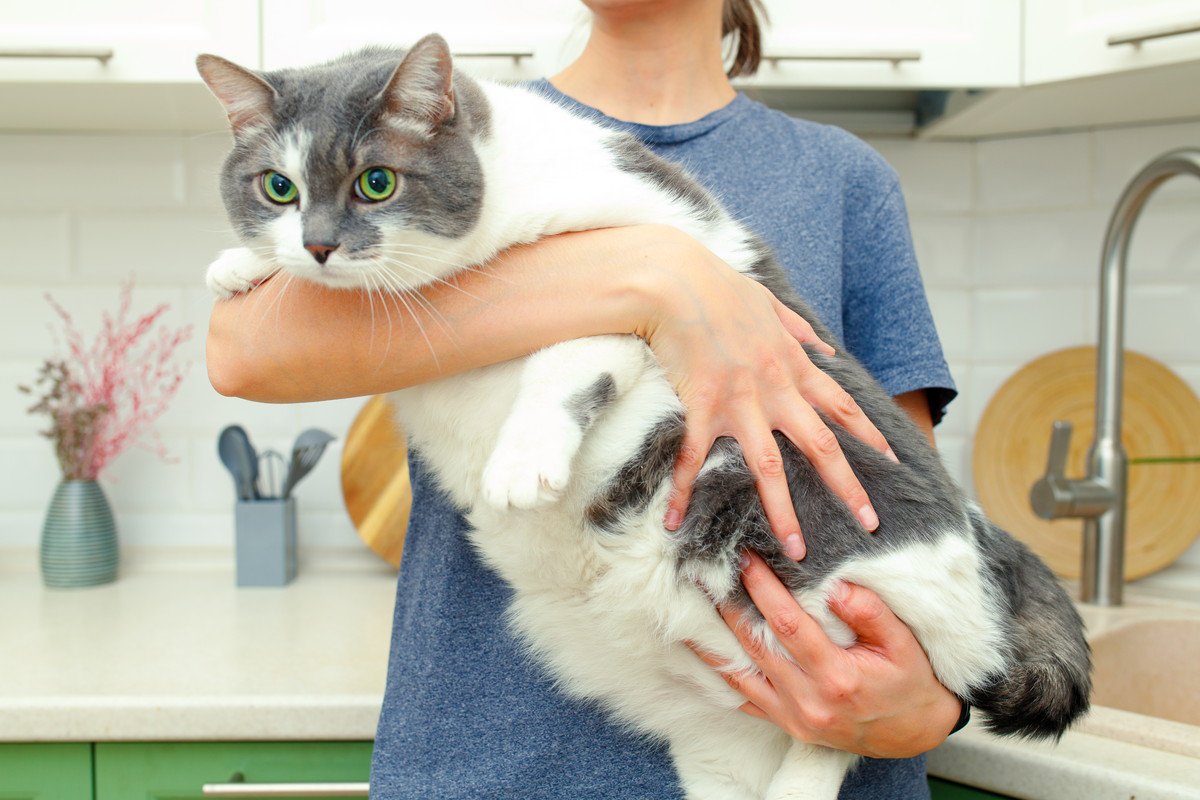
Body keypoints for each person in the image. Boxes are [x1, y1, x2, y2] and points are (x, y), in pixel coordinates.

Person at [207, 0, 962, 796]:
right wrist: (659, 279)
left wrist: (929, 708)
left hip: (800, 754)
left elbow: (906, 504)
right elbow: (245, 351)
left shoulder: (843, 180)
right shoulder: (477, 137)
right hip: (499, 760)